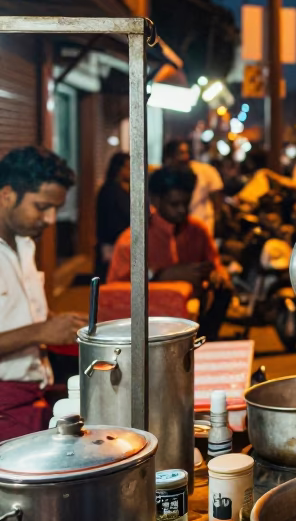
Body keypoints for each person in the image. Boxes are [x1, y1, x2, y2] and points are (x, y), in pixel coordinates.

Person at [0, 147, 86, 440]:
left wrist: (61, 324)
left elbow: (17, 314)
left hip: (36, 391)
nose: (50, 219)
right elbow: (34, 329)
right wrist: (42, 330)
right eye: (41, 207)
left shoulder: (25, 243)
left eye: (56, 209)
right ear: (7, 194)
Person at [107, 167, 232, 342]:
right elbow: (115, 292)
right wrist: (161, 276)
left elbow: (215, 263)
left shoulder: (197, 230)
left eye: (185, 203)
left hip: (196, 317)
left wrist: (216, 274)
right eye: (174, 204)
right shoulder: (134, 239)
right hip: (151, 326)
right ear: (156, 201)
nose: (181, 210)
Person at [163, 139, 224, 237]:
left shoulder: (205, 171)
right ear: (170, 156)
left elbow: (217, 199)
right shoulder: (164, 176)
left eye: (186, 152)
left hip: (202, 224)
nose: (185, 157)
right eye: (180, 153)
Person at [95, 152, 130, 280]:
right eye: (128, 167)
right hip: (111, 245)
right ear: (119, 169)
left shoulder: (123, 189)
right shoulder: (111, 190)